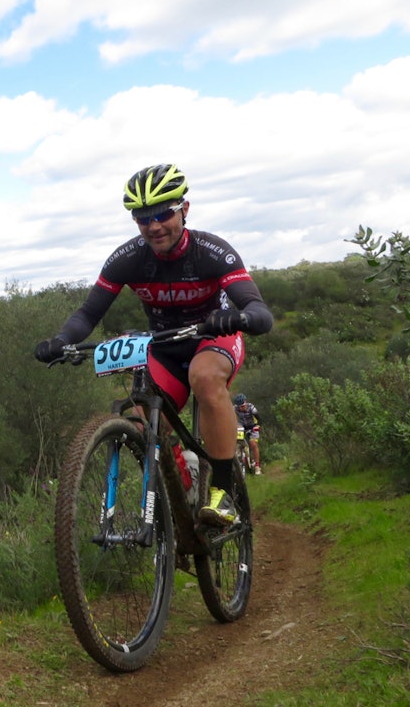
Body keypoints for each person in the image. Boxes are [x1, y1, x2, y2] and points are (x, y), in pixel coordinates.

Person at [35, 164, 273, 527]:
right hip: (164, 345)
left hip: (213, 338)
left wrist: (239, 317)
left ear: (185, 210)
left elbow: (259, 310)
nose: (154, 225)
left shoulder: (211, 251)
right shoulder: (128, 259)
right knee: (140, 416)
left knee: (205, 378)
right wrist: (63, 341)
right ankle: (183, 487)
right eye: (143, 218)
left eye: (164, 213)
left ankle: (224, 492)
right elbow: (88, 313)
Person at [233, 393, 263, 475]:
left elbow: (259, 420)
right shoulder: (234, 409)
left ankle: (257, 466)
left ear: (245, 402)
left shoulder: (251, 408)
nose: (241, 408)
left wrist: (257, 426)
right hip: (242, 426)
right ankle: (239, 460)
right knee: (237, 442)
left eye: (243, 406)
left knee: (253, 444)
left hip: (252, 426)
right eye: (239, 407)